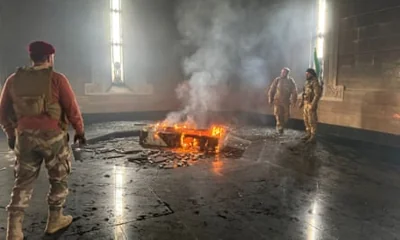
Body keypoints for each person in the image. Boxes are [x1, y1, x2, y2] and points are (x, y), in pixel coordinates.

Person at [0, 41, 86, 239]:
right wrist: (80, 132)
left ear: (31, 58)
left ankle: (14, 230)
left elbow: (2, 113)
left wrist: (11, 134)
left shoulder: (13, 80)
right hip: (53, 140)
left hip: (25, 139)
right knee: (58, 179)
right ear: (49, 57)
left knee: (22, 182)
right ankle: (54, 221)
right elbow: (72, 110)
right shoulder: (57, 79)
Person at [268, 67, 298, 134]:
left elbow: (294, 91)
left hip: (286, 101)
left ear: (287, 73)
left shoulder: (290, 81)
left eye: (284, 72)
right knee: (278, 114)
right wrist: (270, 99)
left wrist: (294, 100)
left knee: (286, 115)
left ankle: (282, 125)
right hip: (277, 100)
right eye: (282, 72)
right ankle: (279, 127)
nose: (282, 73)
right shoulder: (277, 80)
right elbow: (272, 90)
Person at [299, 68, 322, 143]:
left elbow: (317, 94)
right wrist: (302, 102)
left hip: (311, 103)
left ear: (311, 74)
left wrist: (313, 104)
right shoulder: (306, 82)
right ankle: (308, 133)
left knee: (312, 120)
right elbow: (304, 93)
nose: (306, 75)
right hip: (306, 103)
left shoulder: (315, 82)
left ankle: (313, 136)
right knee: (306, 119)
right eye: (306, 74)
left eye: (308, 74)